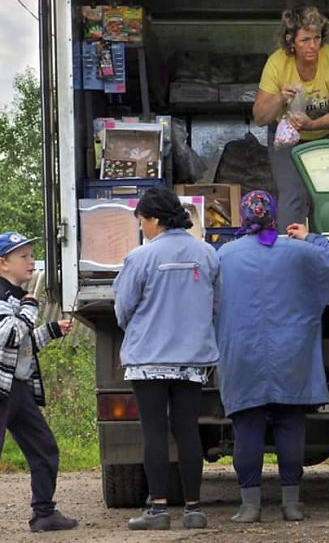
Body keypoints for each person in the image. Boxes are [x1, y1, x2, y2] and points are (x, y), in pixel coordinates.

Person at [216, 190, 329, 523]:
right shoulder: (300, 252)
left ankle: (250, 505)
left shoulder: (225, 255)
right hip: (292, 353)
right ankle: (291, 503)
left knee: (246, 427)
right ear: (274, 216)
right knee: (291, 426)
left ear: (244, 218)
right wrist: (310, 236)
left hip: (242, 354)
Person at [113, 187, 220, 531]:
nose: (141, 227)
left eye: (142, 220)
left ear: (155, 219)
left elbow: (123, 309)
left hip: (148, 359)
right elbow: (215, 305)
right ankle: (194, 509)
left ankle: (158, 509)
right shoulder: (207, 254)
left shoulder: (140, 258)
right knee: (187, 429)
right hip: (191, 359)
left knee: (154, 431)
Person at [0, 232, 77, 540]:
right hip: (0, 389)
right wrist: (30, 308)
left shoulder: (14, 296)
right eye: (23, 256)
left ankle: (44, 513)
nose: (30, 261)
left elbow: (20, 344)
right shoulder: (0, 294)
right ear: (3, 263)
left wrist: (51, 330)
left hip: (18, 387)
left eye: (31, 254)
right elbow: (7, 335)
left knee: (44, 448)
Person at [253, 4, 329, 230]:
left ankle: (328, 251)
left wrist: (313, 123)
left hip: (327, 133)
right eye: (305, 40)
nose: (313, 46)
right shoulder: (277, 62)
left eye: (317, 38)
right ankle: (289, 252)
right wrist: (280, 97)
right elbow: (259, 117)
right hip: (287, 137)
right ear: (290, 41)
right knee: (292, 195)